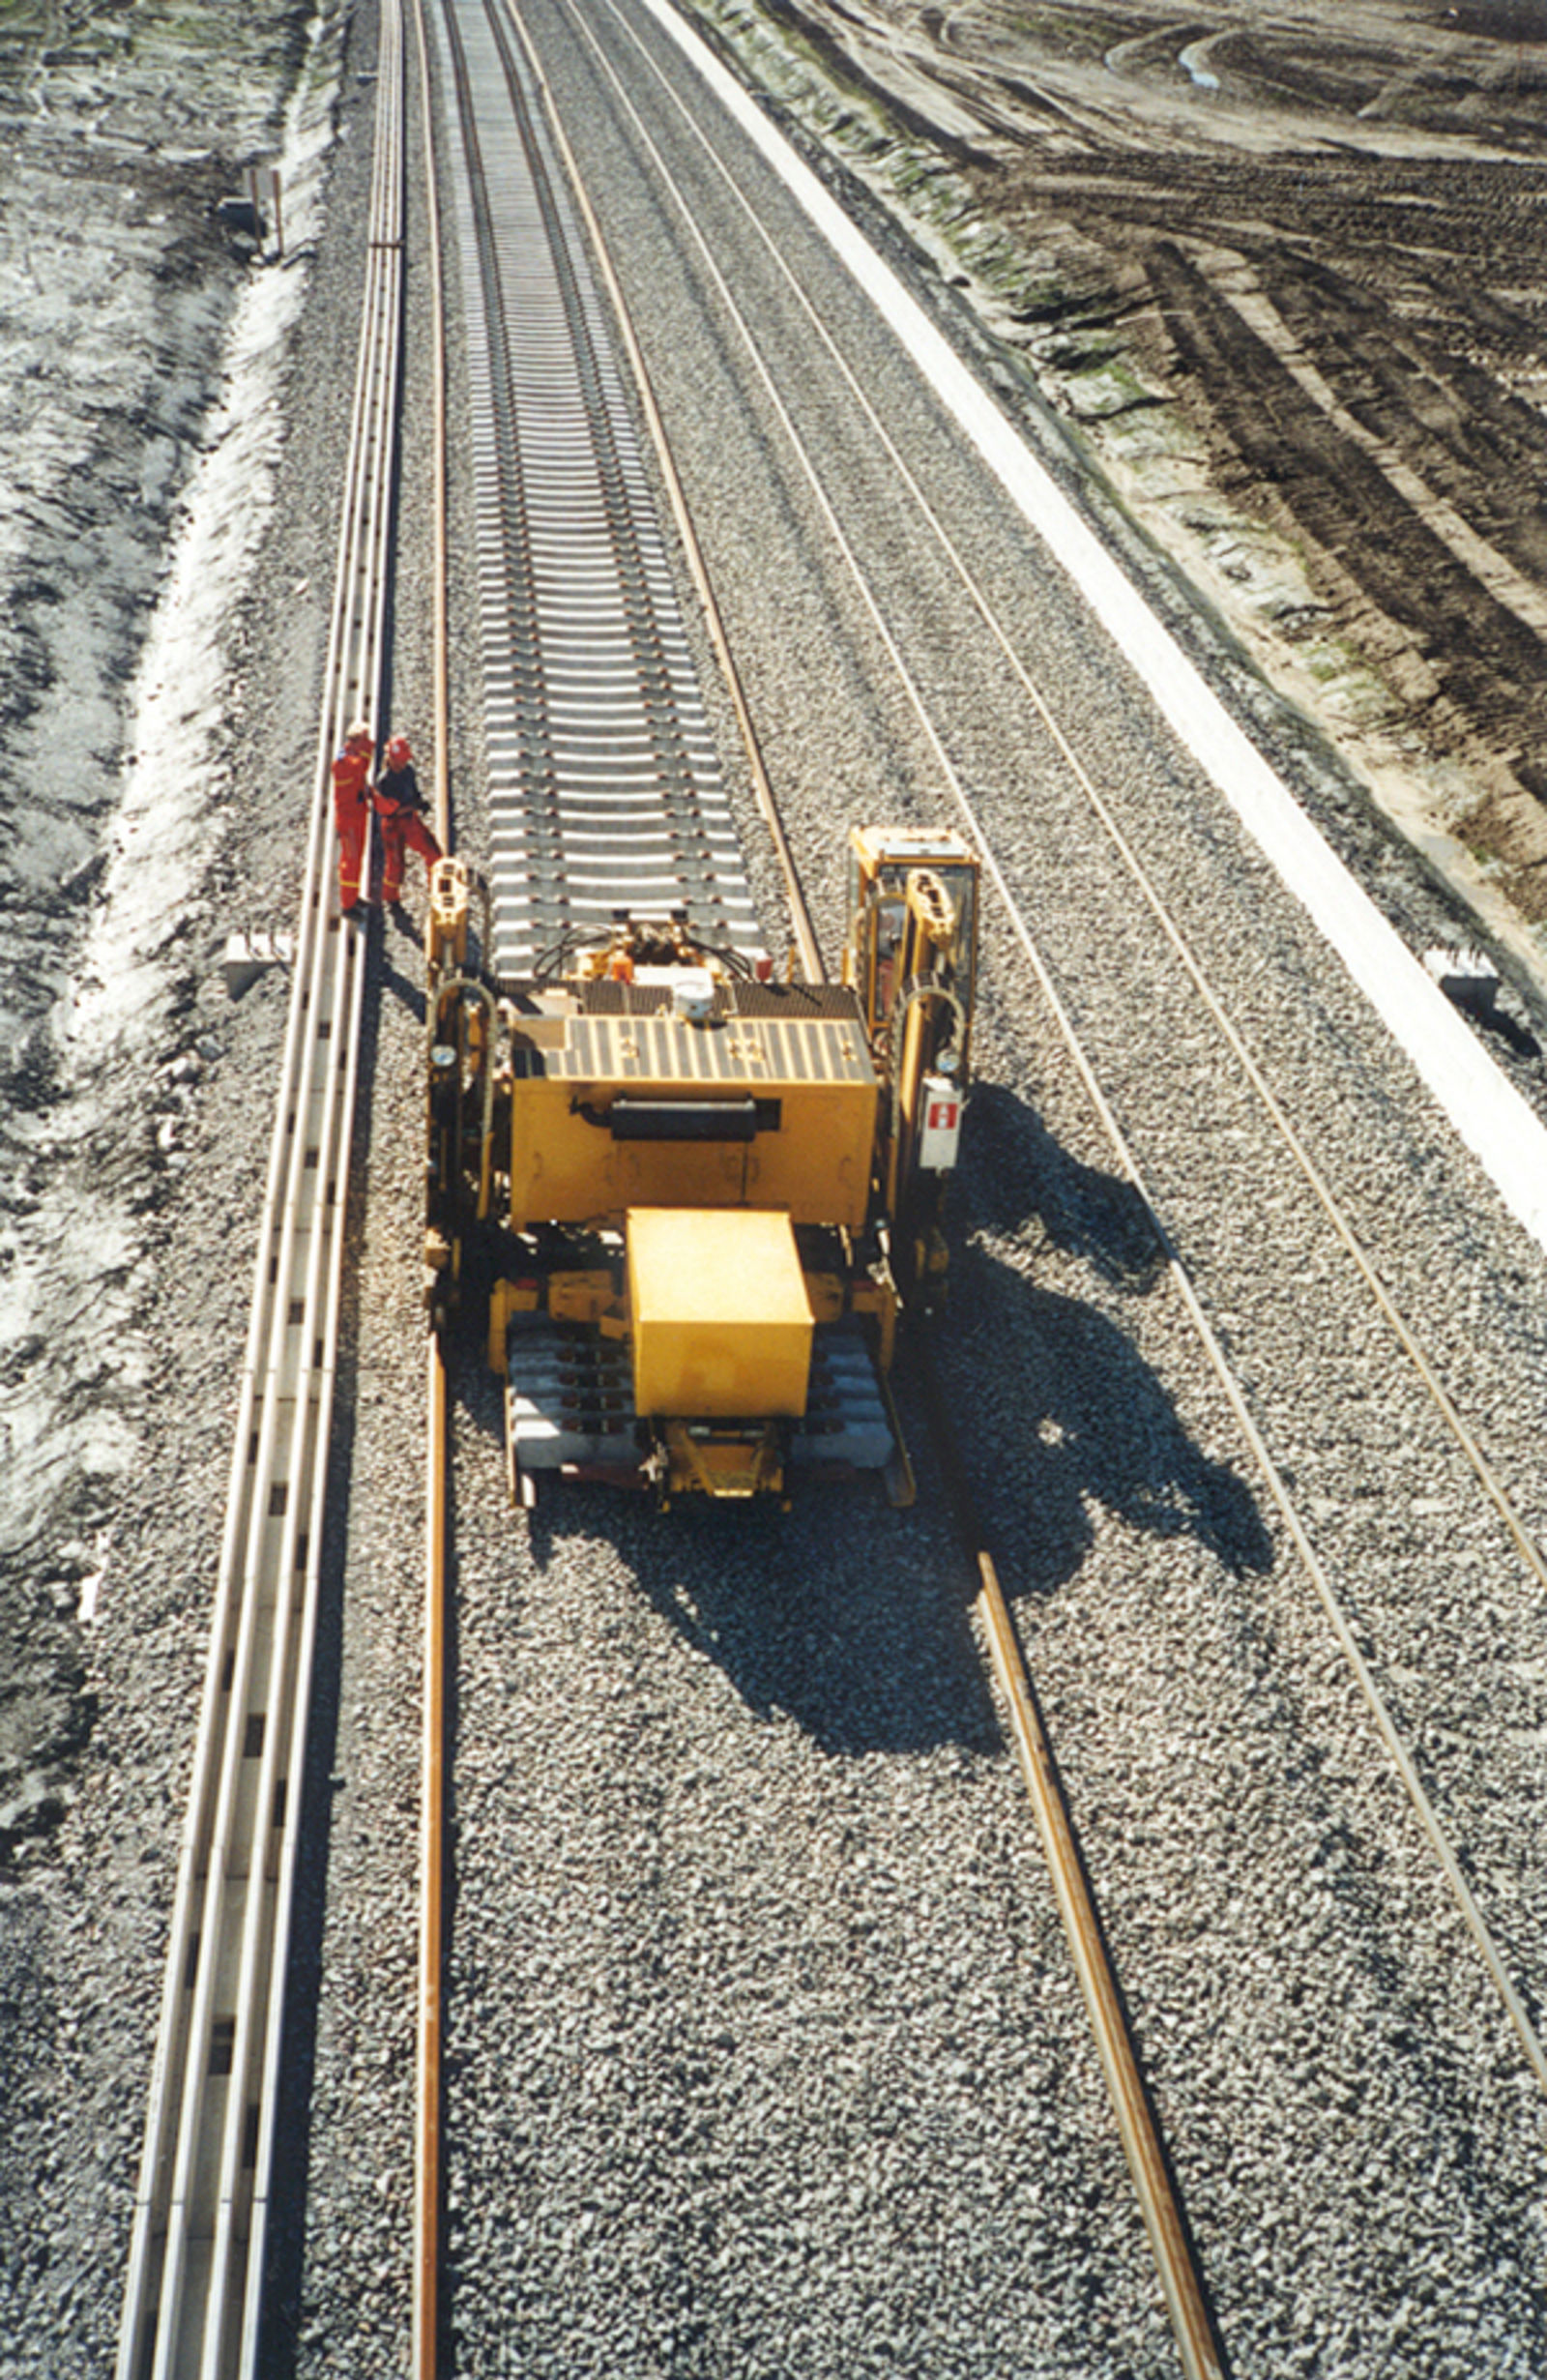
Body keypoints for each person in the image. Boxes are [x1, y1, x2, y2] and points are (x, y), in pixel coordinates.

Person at [372, 731, 442, 908]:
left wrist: (419, 801)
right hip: (393, 826)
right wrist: (414, 806)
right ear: (394, 760)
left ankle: (436, 890)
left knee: (434, 853)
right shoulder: (384, 782)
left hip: (409, 820)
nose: (405, 763)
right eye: (402, 760)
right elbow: (390, 811)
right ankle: (391, 898)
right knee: (396, 866)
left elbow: (413, 792)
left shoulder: (408, 772)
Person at [332, 718, 375, 918]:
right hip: (348, 818)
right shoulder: (343, 762)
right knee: (351, 860)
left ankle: (353, 895)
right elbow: (361, 766)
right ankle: (347, 905)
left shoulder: (353, 754)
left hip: (357, 814)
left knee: (357, 858)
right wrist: (369, 748)